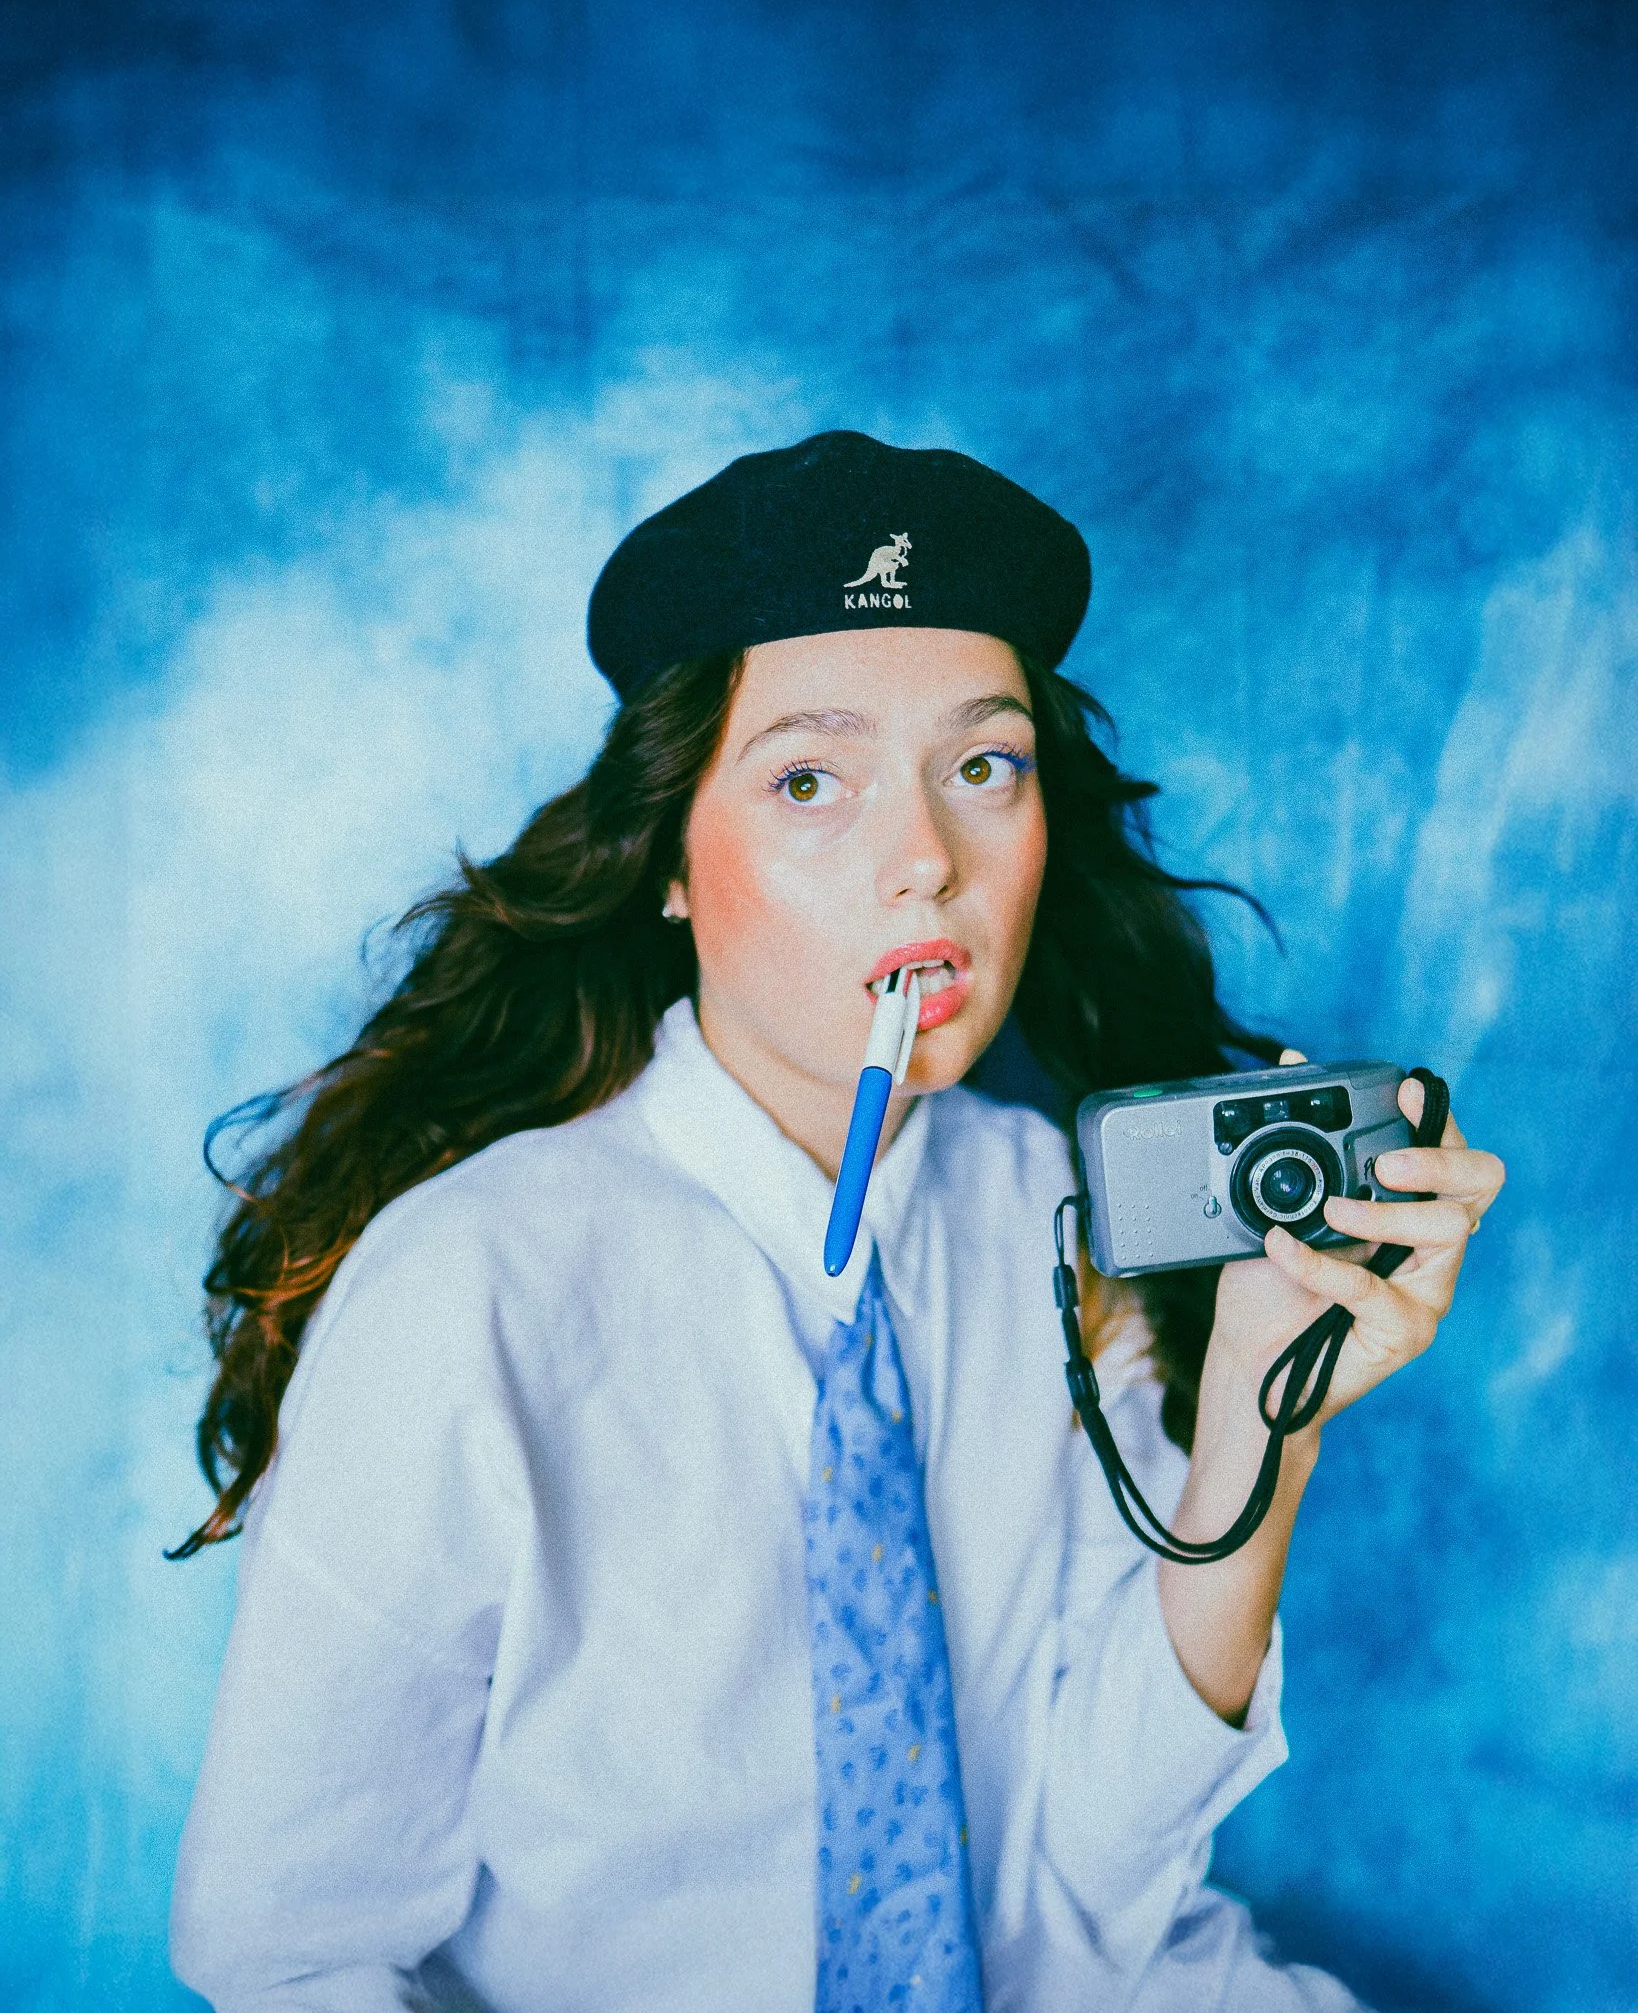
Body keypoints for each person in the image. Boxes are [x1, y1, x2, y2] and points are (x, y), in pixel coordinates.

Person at [169, 431, 1505, 2012]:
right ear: (668, 855)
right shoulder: (473, 1288)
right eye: (810, 779)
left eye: (982, 766)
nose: (924, 861)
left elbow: (1094, 1893)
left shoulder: (1061, 1220)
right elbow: (292, 1956)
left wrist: (1259, 1430)